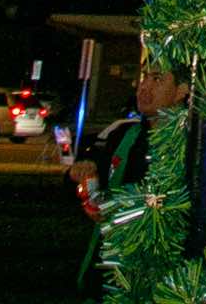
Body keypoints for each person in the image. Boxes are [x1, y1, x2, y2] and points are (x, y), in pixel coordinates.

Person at [68, 65, 189, 296]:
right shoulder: (124, 136)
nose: (144, 87)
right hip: (106, 277)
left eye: (157, 79)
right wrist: (81, 174)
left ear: (181, 90)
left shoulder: (190, 145)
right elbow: (90, 179)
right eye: (145, 78)